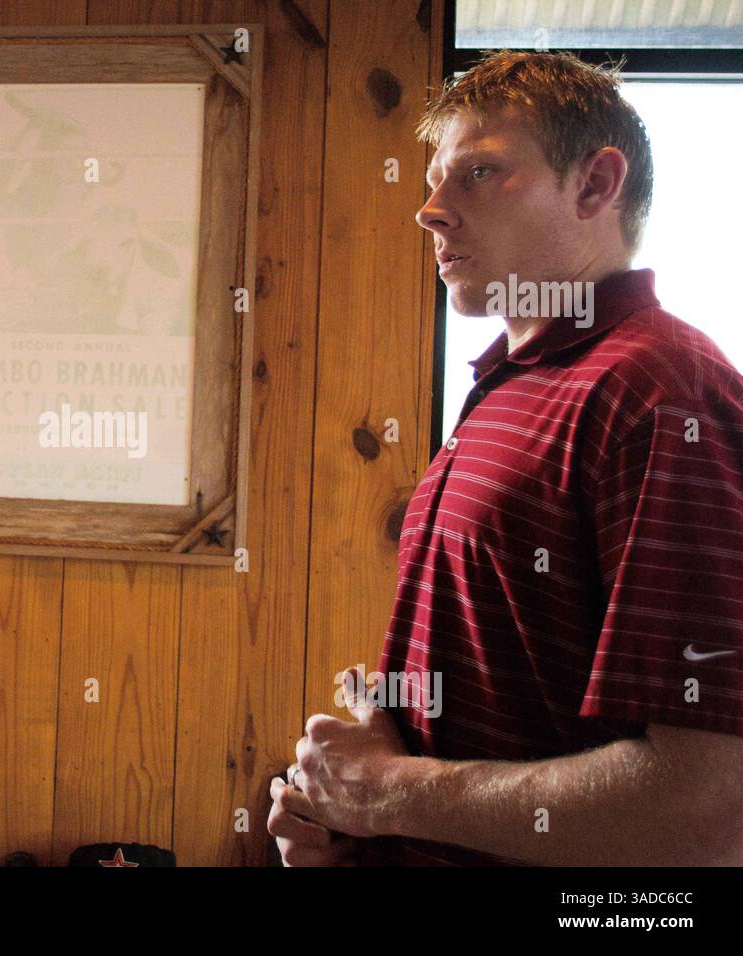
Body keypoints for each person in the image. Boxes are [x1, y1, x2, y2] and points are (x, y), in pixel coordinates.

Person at [269, 50, 743, 865]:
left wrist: (386, 796)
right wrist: (352, 810)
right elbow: (520, 684)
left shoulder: (660, 394)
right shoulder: (515, 383)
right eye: (434, 178)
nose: (429, 210)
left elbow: (709, 810)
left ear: (596, 185)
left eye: (479, 173)